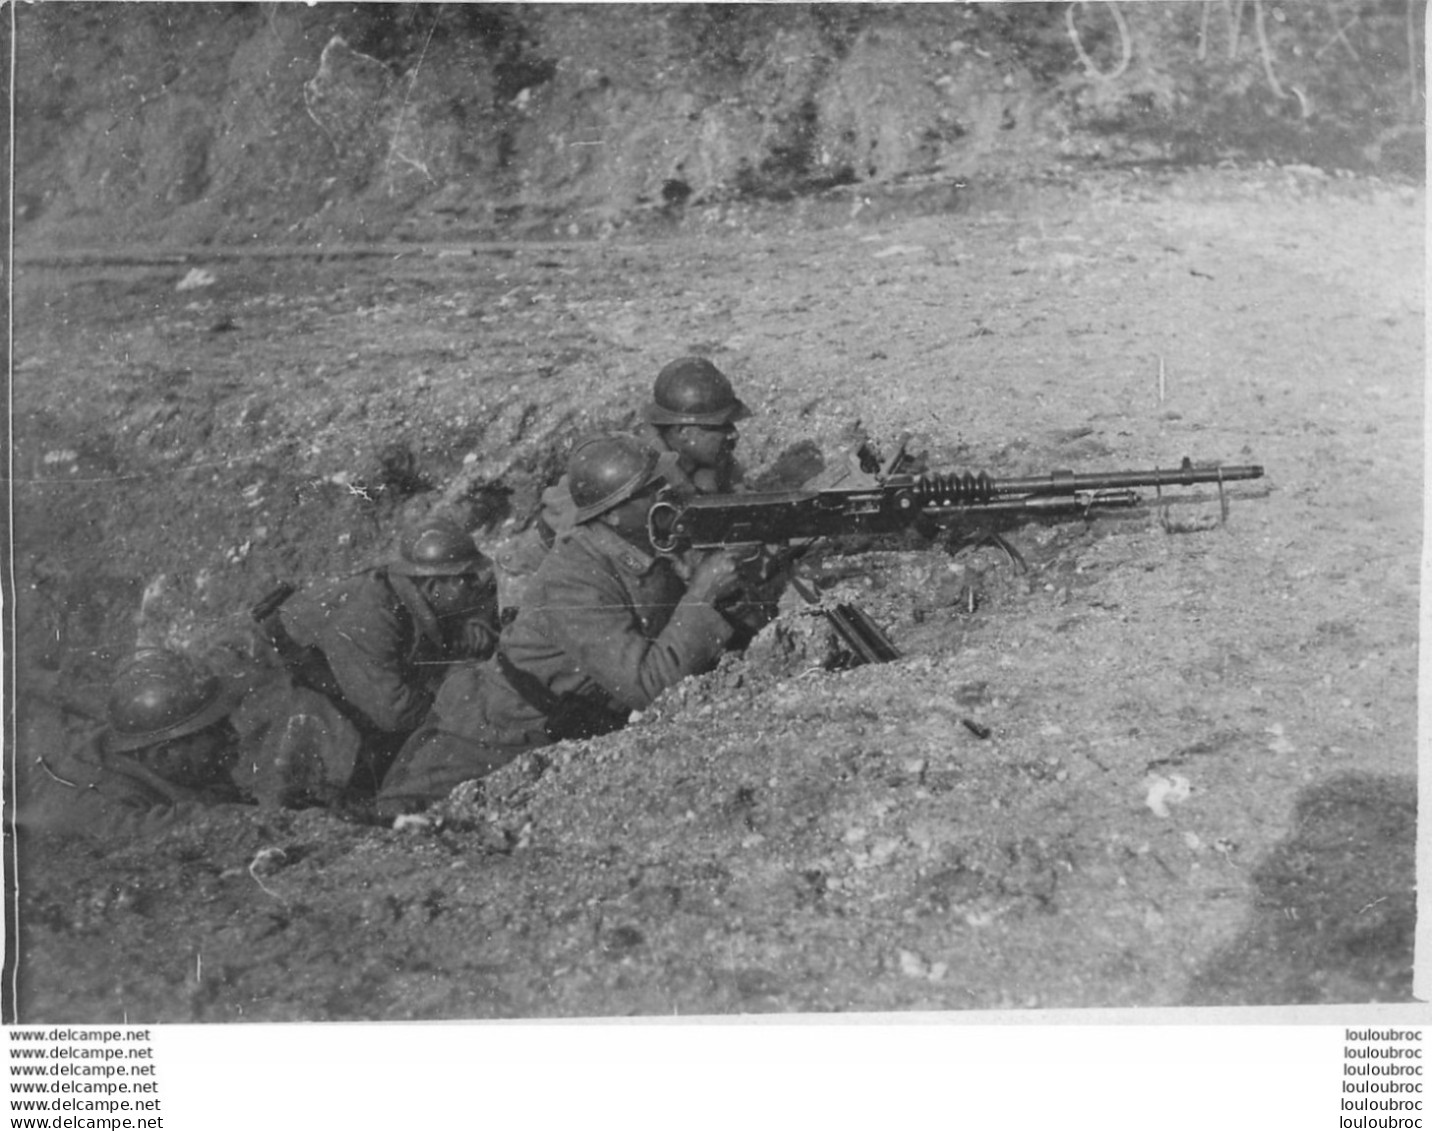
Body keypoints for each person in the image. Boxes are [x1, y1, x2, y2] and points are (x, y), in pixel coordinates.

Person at [375, 434, 751, 816]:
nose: (667, 494)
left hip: (558, 725)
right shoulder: (575, 579)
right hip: (494, 733)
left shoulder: (640, 547)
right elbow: (647, 686)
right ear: (615, 513)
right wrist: (703, 593)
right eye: (651, 489)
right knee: (403, 822)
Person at [258, 516, 501, 787]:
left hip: (340, 673)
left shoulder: (412, 590)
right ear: (433, 585)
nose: (474, 586)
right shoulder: (372, 615)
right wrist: (458, 701)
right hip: (282, 671)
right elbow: (393, 712)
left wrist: (467, 630)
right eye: (466, 579)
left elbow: (445, 618)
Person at [14, 649, 256, 838]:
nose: (233, 735)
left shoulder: (139, 736)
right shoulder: (97, 807)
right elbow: (167, 833)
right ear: (164, 754)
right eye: (216, 732)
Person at [535, 356, 751, 545]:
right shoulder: (623, 468)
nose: (734, 435)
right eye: (721, 427)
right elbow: (575, 538)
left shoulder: (714, 463)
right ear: (684, 431)